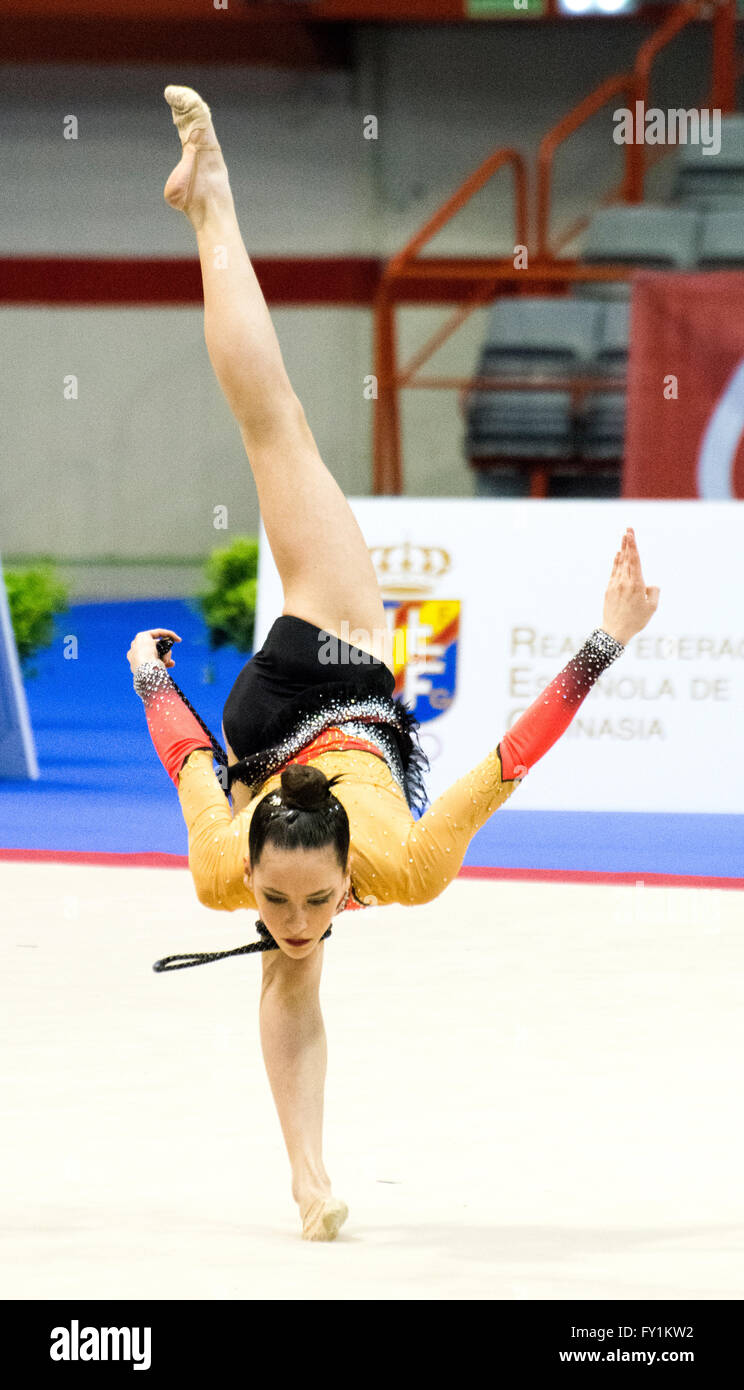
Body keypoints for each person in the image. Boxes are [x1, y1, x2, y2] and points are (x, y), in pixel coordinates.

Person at [127, 86, 661, 1242]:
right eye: (292, 900)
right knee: (290, 985)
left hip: (329, 657)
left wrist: (147, 675)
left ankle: (210, 199)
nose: (298, 916)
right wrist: (605, 637)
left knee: (279, 429)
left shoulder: (256, 863)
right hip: (282, 724)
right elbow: (510, 756)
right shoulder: (314, 870)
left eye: (306, 901)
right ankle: (308, 1179)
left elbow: (186, 748)